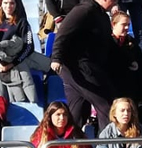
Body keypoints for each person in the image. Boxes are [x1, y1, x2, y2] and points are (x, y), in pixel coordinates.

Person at [51, 0, 121, 131]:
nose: (116, 2)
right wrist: (56, 57)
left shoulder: (103, 16)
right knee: (107, 106)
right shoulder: (84, 10)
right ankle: (107, 147)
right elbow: (63, 33)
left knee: (78, 113)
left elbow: (107, 45)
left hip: (90, 67)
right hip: (79, 67)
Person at [0, 0, 51, 103]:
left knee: (50, 66)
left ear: (17, 5)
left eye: (12, 3)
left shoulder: (22, 22)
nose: (9, 6)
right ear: (1, 5)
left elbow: (29, 47)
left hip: (19, 61)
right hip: (0, 64)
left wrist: (13, 63)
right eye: (6, 3)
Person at [110, 11, 142, 111]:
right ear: (113, 24)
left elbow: (141, 70)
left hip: (132, 93)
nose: (127, 28)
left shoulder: (132, 43)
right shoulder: (107, 43)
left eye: (128, 25)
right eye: (123, 24)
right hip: (112, 93)